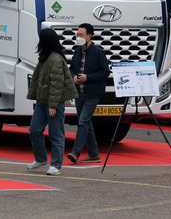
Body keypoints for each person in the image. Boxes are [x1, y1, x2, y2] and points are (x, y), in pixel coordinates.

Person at [26, 28, 78, 176]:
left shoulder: (54, 59)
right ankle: (41, 160)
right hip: (43, 102)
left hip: (52, 103)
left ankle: (56, 165)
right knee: (34, 130)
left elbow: (56, 84)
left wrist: (53, 105)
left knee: (56, 134)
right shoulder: (46, 57)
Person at [66, 23, 110, 164]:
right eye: (77, 35)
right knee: (86, 123)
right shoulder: (77, 51)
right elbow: (72, 68)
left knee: (83, 121)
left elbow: (105, 72)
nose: (78, 37)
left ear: (89, 36)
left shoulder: (98, 52)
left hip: (92, 93)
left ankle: (75, 152)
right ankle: (94, 154)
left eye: (80, 35)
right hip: (79, 92)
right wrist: (74, 77)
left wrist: (88, 78)